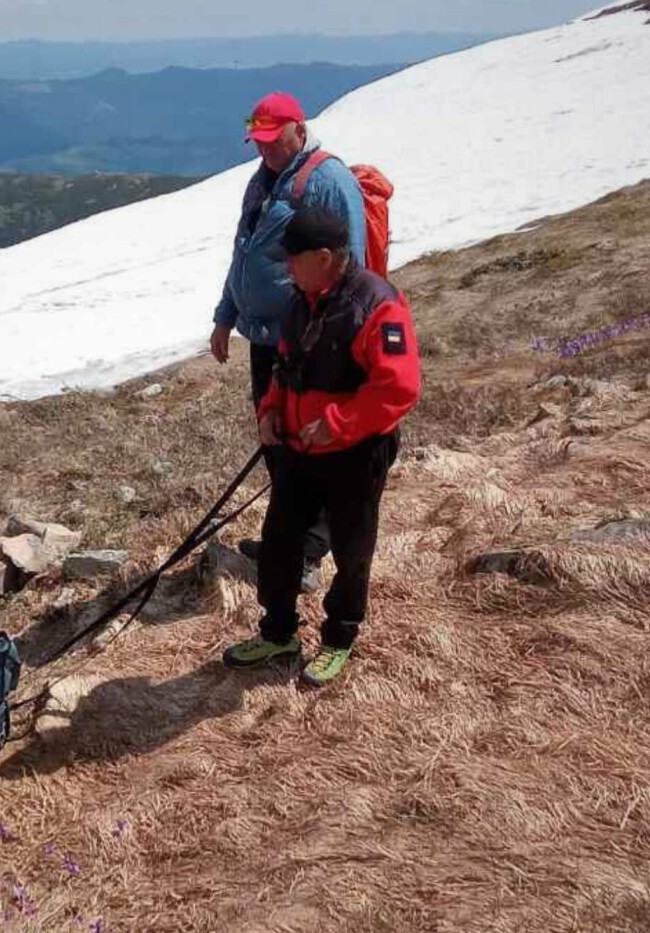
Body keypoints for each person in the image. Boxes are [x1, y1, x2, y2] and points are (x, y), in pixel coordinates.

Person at [222, 207, 420, 687]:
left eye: (295, 258)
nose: (287, 267)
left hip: (355, 457)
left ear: (326, 257)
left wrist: (339, 424)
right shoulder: (302, 300)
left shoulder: (378, 306)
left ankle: (339, 638)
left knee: (353, 550)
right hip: (299, 452)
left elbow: (399, 387)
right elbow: (284, 367)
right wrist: (268, 411)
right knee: (279, 543)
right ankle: (279, 633)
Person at [209, 91, 368, 588]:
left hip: (308, 342)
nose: (265, 152)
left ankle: (308, 553)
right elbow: (244, 254)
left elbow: (350, 265)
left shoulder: (328, 180)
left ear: (299, 129)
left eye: (273, 142)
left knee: (310, 448)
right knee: (277, 441)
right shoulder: (262, 182)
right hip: (266, 339)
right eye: (258, 143)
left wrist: (332, 339)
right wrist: (224, 316)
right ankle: (289, 537)